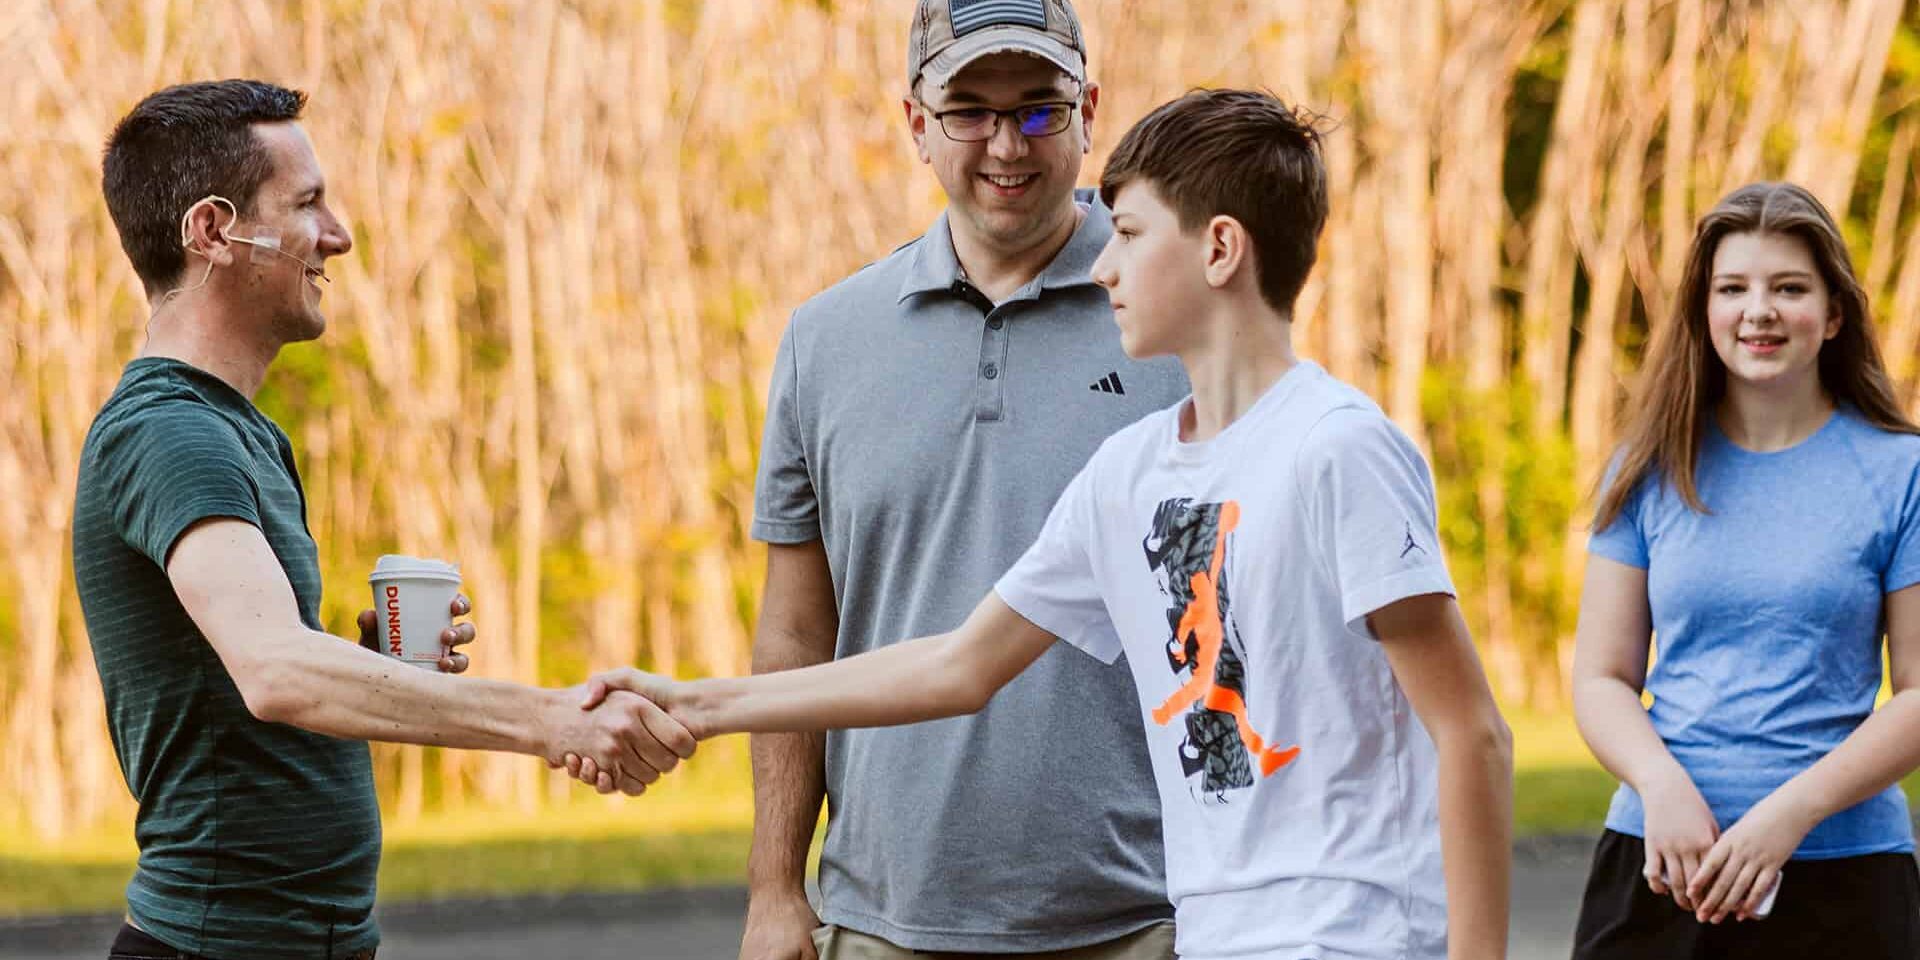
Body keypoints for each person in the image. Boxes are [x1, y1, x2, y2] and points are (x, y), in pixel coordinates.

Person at [576, 89, 1515, 960]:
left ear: (1221, 249)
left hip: (1356, 934)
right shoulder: (1128, 473)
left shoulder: (1337, 448)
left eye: (1133, 233)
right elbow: (954, 665)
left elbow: (1471, 734)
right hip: (1218, 938)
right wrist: (693, 704)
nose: (1102, 262)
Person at [76, 79, 694, 960]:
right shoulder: (171, 433)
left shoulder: (234, 430)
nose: (340, 235)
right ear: (214, 232)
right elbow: (277, 671)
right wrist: (551, 721)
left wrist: (374, 674)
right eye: (308, 204)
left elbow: (257, 682)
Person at [672, 1, 1194, 957]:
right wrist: (774, 888)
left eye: (1039, 108)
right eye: (970, 111)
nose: (1007, 143)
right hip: (883, 921)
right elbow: (795, 630)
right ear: (917, 123)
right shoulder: (825, 340)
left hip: (1146, 920)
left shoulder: (1176, 324)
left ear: (1089, 110)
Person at [1567, 181, 1920, 958]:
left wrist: (1788, 816)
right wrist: (1661, 789)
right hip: (1663, 869)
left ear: (1833, 315)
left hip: (1845, 879)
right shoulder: (1648, 469)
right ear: (1705, 312)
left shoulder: (1902, 473)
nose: (1758, 310)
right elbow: (1600, 678)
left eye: (1788, 288)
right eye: (1733, 288)